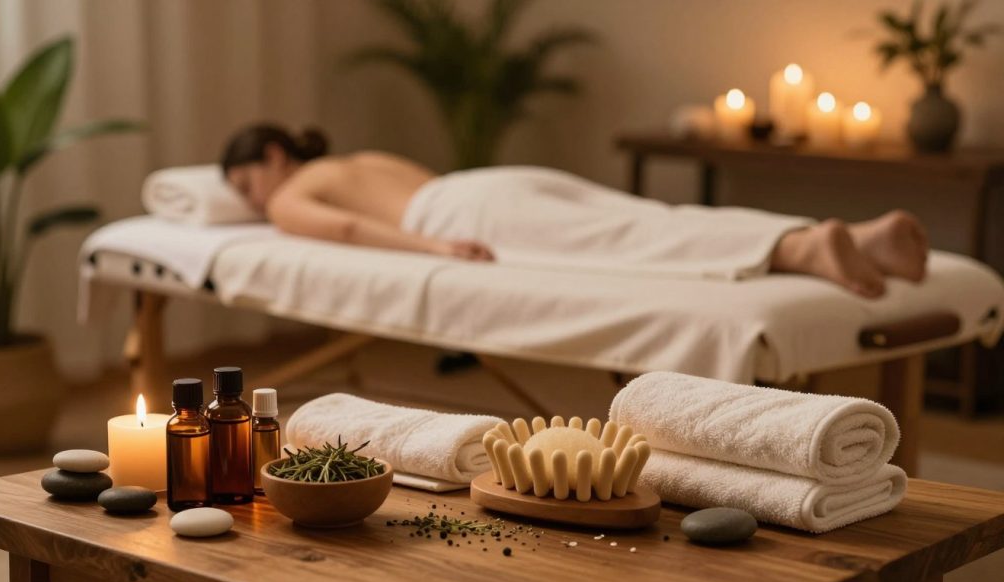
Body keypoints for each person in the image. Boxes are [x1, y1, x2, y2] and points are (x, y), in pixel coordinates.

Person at [221, 123, 928, 298]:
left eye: (246, 183)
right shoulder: (357, 158)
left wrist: (436, 251)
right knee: (654, 216)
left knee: (632, 240)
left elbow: (349, 229)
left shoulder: (289, 193)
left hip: (462, 215)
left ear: (274, 156)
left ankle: (805, 250)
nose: (253, 201)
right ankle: (858, 237)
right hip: (492, 182)